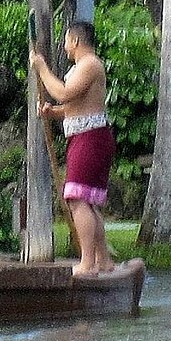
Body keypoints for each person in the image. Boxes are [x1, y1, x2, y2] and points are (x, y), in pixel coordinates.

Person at [30, 20, 115, 276]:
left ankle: (88, 262)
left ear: (75, 41)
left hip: (90, 138)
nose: (65, 47)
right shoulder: (85, 66)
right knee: (86, 200)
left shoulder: (89, 65)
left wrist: (42, 68)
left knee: (78, 199)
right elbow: (73, 106)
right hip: (87, 136)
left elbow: (64, 93)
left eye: (66, 41)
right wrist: (52, 112)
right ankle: (103, 260)